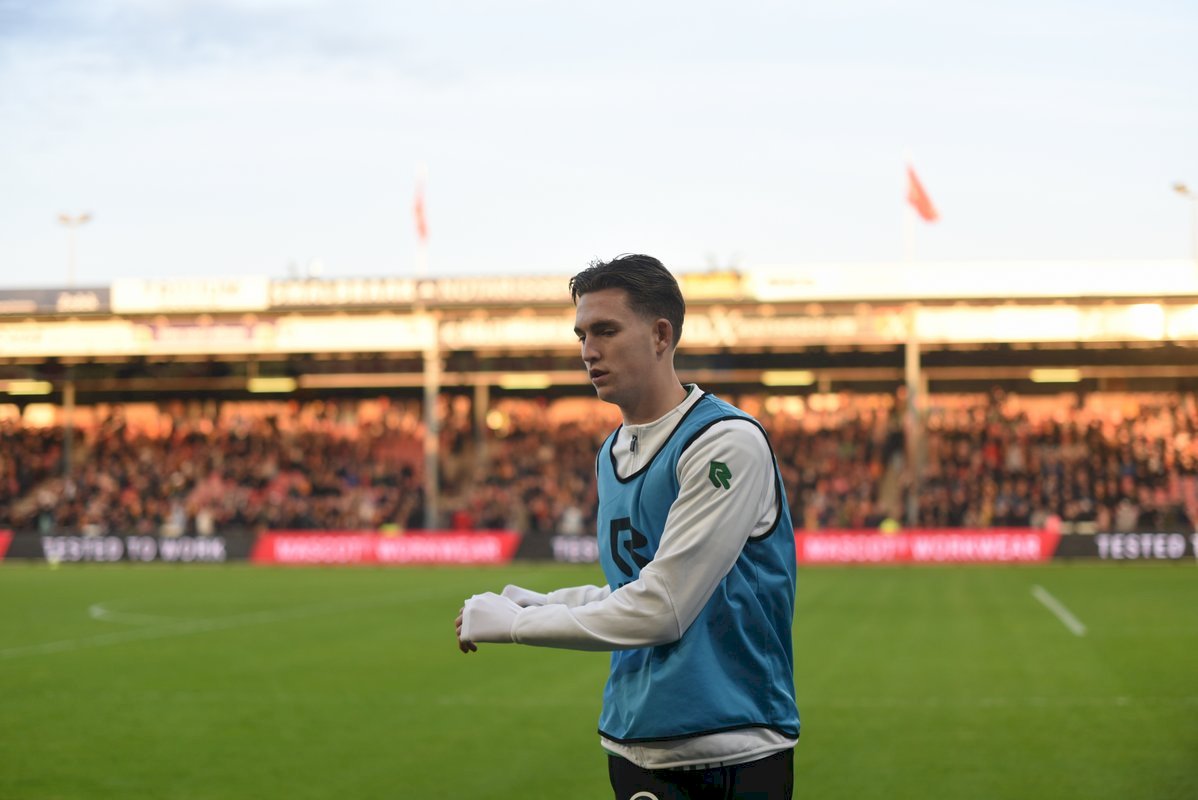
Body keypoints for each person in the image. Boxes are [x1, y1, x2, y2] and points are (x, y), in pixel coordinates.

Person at [456, 254, 799, 800]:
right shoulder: (611, 453)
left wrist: (518, 626)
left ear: (661, 335)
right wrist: (542, 601)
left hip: (730, 746)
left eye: (606, 331)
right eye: (582, 335)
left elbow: (663, 606)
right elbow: (631, 589)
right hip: (635, 740)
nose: (588, 350)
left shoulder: (723, 442)